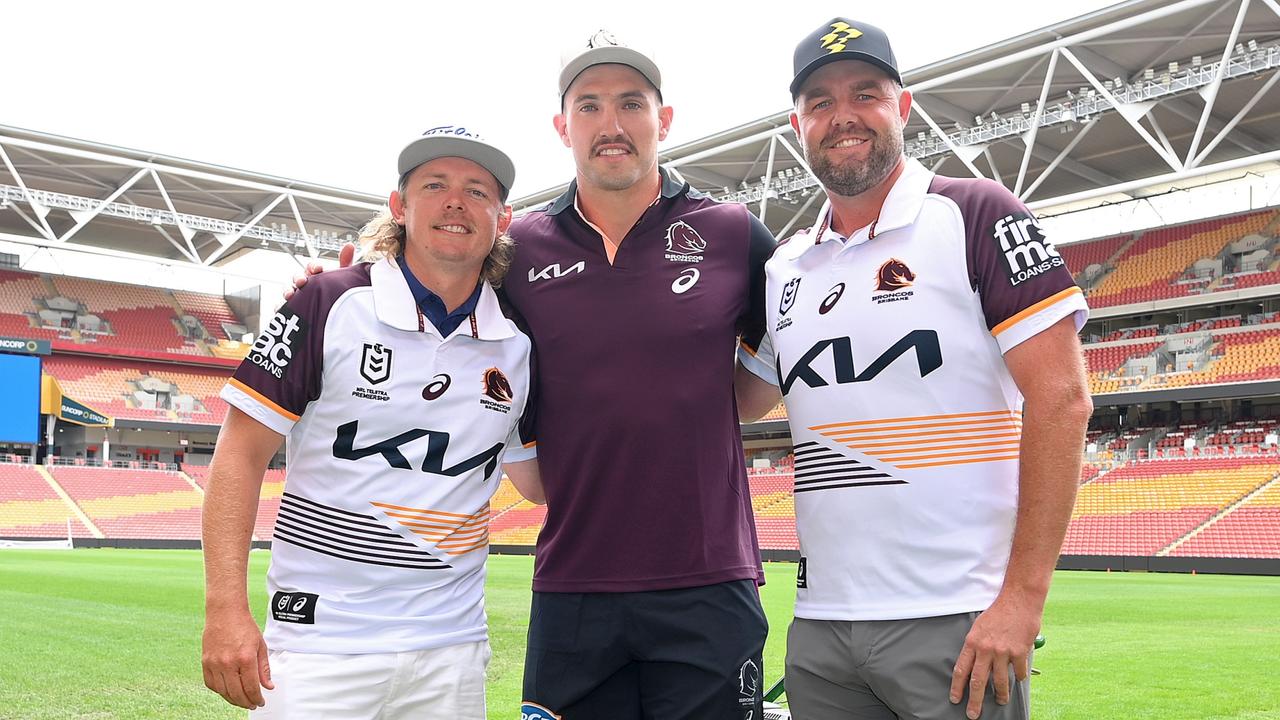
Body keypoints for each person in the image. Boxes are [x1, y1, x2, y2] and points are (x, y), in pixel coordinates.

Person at [294, 32, 776, 720]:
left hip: (709, 582)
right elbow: (434, 288)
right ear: (563, 127)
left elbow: (765, 381)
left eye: (631, 104)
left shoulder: (734, 233)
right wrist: (335, 281)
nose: (610, 124)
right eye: (589, 106)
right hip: (574, 588)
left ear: (663, 120)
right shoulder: (521, 253)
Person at [735, 18, 1093, 720]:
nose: (842, 117)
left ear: (902, 106)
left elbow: (1064, 401)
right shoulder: (784, 266)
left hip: (956, 617)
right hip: (821, 625)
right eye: (820, 103)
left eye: (864, 93)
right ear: (797, 125)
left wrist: (1022, 598)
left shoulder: (974, 213)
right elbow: (737, 401)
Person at [201, 126, 536, 719]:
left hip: (451, 650)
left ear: (502, 219)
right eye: (435, 185)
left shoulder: (519, 343)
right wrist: (225, 609)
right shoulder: (326, 302)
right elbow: (239, 454)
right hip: (317, 645)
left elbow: (539, 484)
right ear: (400, 207)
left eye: (477, 190)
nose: (456, 200)